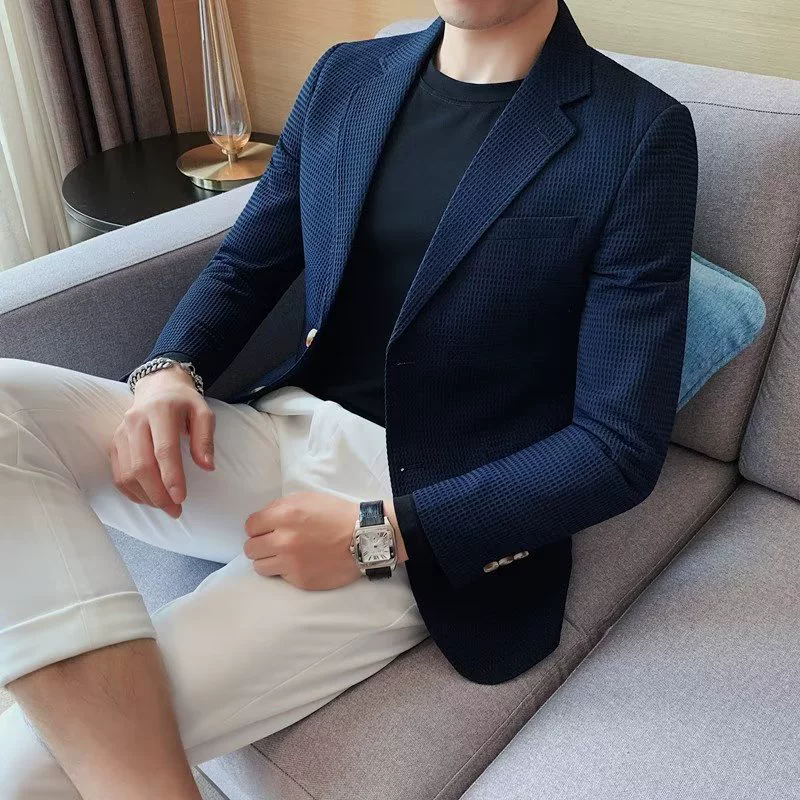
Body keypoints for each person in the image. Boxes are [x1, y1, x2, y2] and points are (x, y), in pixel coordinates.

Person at [0, 0, 698, 797]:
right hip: (276, 435)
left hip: (418, 511)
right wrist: (169, 369)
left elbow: (616, 450)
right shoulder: (346, 76)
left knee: (27, 767)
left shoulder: (638, 133)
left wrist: (379, 534)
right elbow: (246, 265)